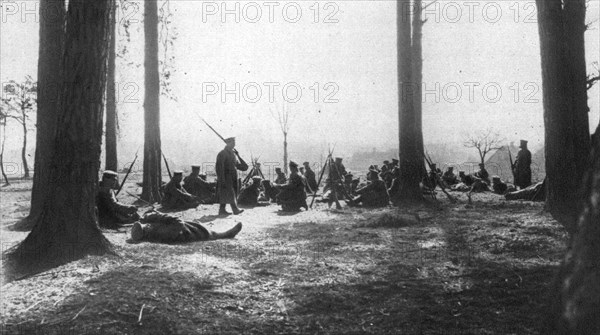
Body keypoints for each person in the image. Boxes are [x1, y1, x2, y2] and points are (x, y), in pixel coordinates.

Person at [131, 210, 242, 243]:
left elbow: (146, 218)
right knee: (209, 233)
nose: (148, 225)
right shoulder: (161, 233)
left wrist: (146, 218)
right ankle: (226, 234)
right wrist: (159, 215)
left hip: (182, 228)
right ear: (147, 232)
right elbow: (178, 222)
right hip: (188, 233)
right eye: (146, 227)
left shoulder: (152, 229)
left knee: (196, 224)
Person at [216, 137, 249, 215]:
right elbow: (219, 168)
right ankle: (235, 209)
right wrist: (222, 179)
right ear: (227, 143)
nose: (234, 144)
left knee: (227, 193)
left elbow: (244, 167)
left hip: (233, 177)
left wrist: (238, 155)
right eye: (232, 143)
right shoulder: (222, 153)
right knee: (230, 193)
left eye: (234, 142)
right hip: (226, 177)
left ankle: (222, 210)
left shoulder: (233, 154)